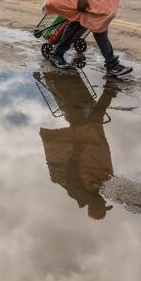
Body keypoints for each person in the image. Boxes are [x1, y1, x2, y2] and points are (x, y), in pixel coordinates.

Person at [38, 69, 120, 220]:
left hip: (82, 142)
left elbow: (72, 169)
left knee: (83, 112)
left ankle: (59, 80)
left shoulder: (80, 193)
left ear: (96, 206)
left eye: (102, 204)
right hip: (87, 142)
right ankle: (110, 89)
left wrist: (78, 147)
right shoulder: (95, 192)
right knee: (94, 115)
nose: (104, 201)